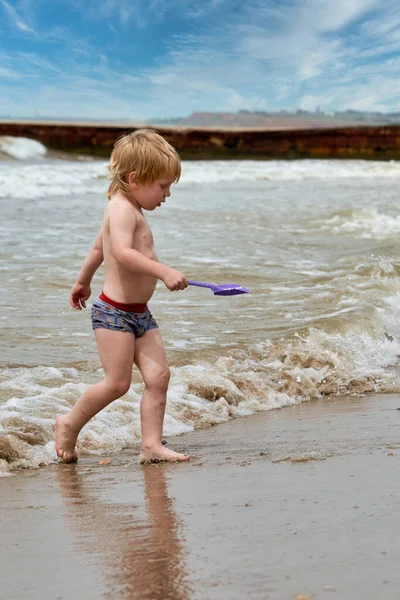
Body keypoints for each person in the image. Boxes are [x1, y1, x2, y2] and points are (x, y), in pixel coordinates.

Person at [55, 129, 190, 464]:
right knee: (117, 384)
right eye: (163, 185)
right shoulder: (121, 209)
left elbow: (98, 247)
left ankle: (151, 445)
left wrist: (82, 280)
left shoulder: (128, 208)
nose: (168, 193)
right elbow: (122, 252)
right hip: (114, 313)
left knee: (159, 377)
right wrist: (163, 271)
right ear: (134, 179)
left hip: (139, 313)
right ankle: (68, 424)